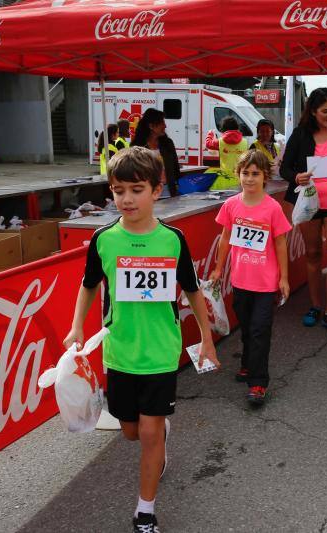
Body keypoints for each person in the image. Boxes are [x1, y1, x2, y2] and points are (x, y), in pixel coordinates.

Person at [63, 146, 220, 532]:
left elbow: (192, 290)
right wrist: (76, 326)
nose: (127, 199)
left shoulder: (173, 239)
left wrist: (206, 337)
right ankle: (159, 433)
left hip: (161, 353)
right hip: (119, 353)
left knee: (148, 432)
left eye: (136, 189)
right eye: (118, 190)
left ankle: (145, 510)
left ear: (156, 190)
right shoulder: (103, 239)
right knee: (131, 430)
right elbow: (88, 285)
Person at [209, 150, 291, 405]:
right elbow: (225, 238)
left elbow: (280, 244)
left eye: (255, 174)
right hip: (240, 281)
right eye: (245, 173)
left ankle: (258, 382)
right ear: (238, 174)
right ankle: (246, 363)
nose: (250, 179)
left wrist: (284, 278)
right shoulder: (231, 205)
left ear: (265, 176)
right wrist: (219, 269)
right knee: (246, 328)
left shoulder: (272, 208)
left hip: (266, 283)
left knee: (259, 331)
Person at [280, 87, 327, 332]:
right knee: (312, 254)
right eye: (325, 111)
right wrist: (297, 177)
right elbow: (284, 169)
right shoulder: (300, 134)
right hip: (309, 204)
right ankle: (315, 305)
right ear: (313, 111)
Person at [131, 108, 181, 197]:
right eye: (162, 123)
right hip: (146, 193)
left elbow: (175, 167)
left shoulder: (167, 143)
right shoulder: (137, 146)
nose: (165, 126)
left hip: (168, 191)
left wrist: (177, 186)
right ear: (151, 126)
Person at [205, 116, 248, 190]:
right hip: (240, 178)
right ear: (237, 128)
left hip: (225, 178)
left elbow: (208, 144)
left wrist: (210, 134)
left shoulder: (220, 142)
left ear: (223, 129)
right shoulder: (245, 142)